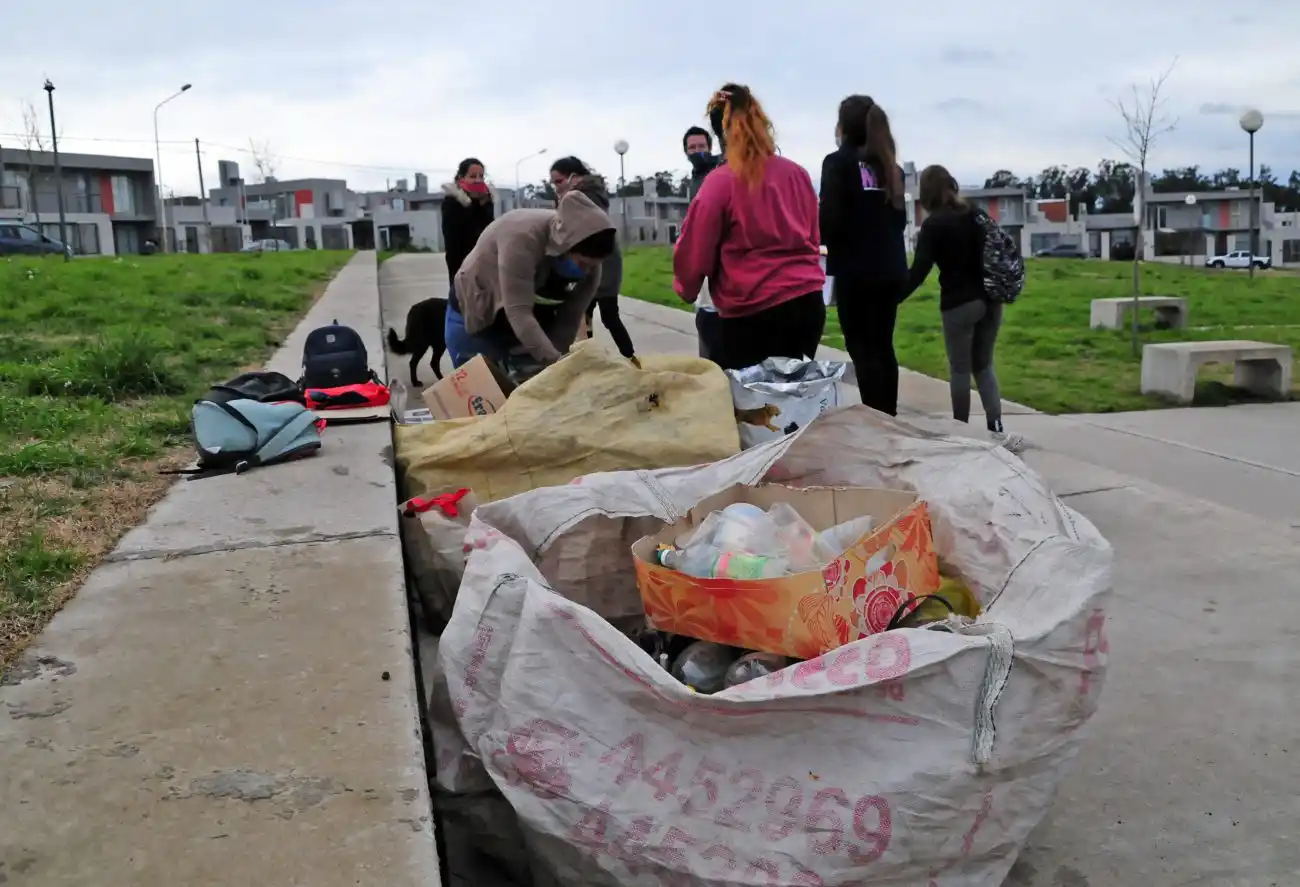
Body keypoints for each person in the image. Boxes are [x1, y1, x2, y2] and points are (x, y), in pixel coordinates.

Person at [673, 84, 825, 371]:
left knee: (745, 397)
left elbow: (695, 250)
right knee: (794, 393)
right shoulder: (798, 174)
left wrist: (686, 287)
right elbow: (813, 236)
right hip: (807, 302)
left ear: (720, 135)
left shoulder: (720, 182)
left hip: (751, 311)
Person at [902, 165, 1020, 448]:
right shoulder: (975, 214)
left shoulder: (934, 225)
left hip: (960, 304)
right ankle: (996, 428)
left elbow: (918, 272)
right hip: (991, 301)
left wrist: (891, 298)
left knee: (960, 370)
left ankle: (961, 433)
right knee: (984, 365)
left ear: (927, 194)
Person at [445, 189, 617, 370]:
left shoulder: (591, 259)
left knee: (534, 378)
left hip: (526, 324)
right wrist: (555, 362)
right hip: (478, 309)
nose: (586, 271)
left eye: (593, 266)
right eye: (582, 264)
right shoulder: (522, 237)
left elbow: (570, 318)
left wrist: (558, 361)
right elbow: (519, 311)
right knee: (482, 383)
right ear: (565, 247)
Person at [819, 95, 908, 416]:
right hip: (891, 270)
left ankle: (876, 419)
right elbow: (899, 221)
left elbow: (830, 219)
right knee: (882, 346)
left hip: (856, 272)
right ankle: (888, 416)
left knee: (862, 348)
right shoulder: (891, 168)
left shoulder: (837, 163)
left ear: (844, 126)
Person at [548, 156, 638, 365]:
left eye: (559, 181)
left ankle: (628, 358)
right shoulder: (586, 194)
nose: (556, 188)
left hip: (598, 264)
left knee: (600, 315)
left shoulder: (583, 197)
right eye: (553, 183)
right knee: (586, 316)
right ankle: (597, 359)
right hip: (594, 263)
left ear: (574, 177)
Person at [682, 125, 725, 360]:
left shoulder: (720, 170)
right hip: (703, 257)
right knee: (705, 317)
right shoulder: (695, 179)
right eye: (692, 147)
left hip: (722, 257)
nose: (697, 151)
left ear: (710, 147)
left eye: (701, 146)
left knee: (712, 320)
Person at [441, 157, 495, 281]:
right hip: (461, 267)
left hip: (486, 265)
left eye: (481, 176)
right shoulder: (452, 203)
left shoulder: (486, 201)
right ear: (461, 178)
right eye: (472, 176)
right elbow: (455, 241)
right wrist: (473, 205)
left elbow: (490, 232)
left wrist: (484, 204)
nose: (478, 180)